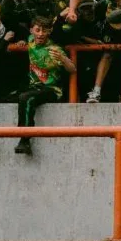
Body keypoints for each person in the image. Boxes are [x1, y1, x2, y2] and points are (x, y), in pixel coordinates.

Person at [15, 16, 76, 155]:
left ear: (50, 31)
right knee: (16, 96)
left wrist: (63, 58)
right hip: (34, 86)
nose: (41, 34)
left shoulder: (54, 49)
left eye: (45, 31)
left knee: (26, 98)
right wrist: (20, 42)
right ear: (31, 31)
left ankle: (24, 139)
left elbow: (72, 69)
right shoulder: (30, 41)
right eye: (38, 30)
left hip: (52, 89)